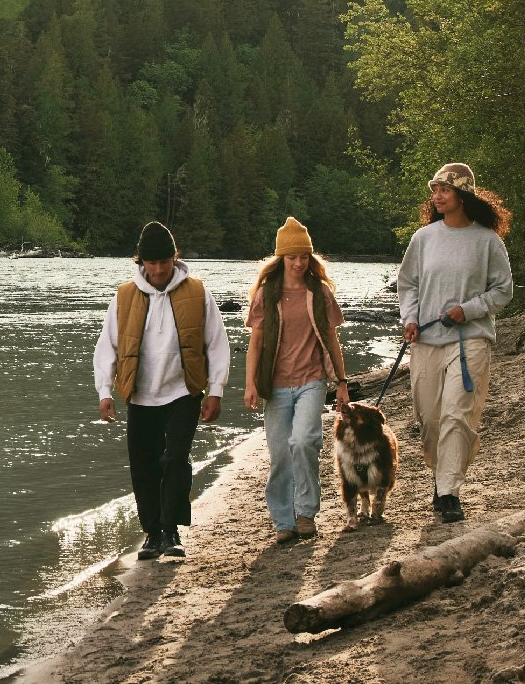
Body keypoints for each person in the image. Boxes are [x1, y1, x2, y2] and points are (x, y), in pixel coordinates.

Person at [92, 220, 229, 561]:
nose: (157, 270)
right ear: (141, 262)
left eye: (163, 262)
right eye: (150, 263)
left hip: (184, 391)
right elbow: (107, 346)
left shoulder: (197, 292)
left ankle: (172, 530)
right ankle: (153, 533)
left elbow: (217, 343)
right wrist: (104, 392)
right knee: (143, 466)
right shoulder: (124, 296)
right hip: (139, 395)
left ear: (174, 258)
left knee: (175, 460)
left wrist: (216, 390)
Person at [396, 161, 514, 523]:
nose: (437, 196)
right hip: (427, 341)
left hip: (470, 341)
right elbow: (408, 285)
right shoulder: (423, 239)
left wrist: (470, 309)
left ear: (462, 194)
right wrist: (411, 319)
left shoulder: (488, 241)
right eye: (435, 190)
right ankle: (441, 475)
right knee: (430, 419)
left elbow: (503, 290)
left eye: (444, 190)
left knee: (457, 415)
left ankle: (449, 492)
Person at [243, 216, 348, 543]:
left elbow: (332, 340)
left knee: (303, 442)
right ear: (281, 258)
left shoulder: (319, 293)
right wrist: (249, 384)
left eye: (304, 257)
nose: (300, 263)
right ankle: (283, 521)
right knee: (280, 454)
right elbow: (256, 343)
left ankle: (305, 514)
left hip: (312, 381)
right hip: (275, 386)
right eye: (293, 257)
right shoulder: (266, 295)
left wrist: (342, 382)